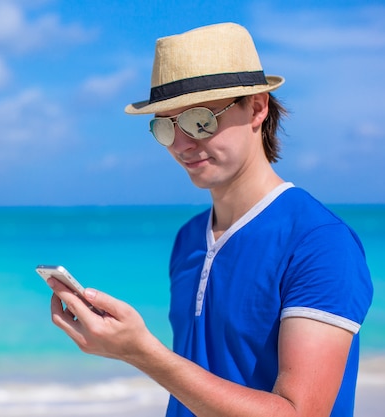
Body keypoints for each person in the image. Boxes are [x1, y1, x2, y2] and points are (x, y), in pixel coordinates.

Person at [47, 22, 373, 417]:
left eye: (199, 120)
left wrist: (143, 353)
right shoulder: (189, 238)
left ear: (256, 107)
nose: (182, 144)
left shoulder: (320, 242)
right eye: (166, 126)